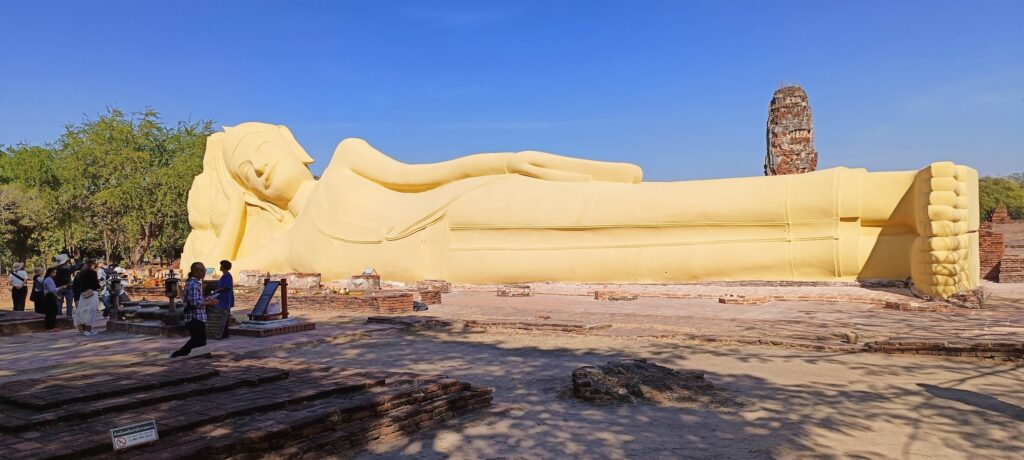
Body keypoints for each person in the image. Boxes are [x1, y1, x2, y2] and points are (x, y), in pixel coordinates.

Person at [170, 262, 217, 358]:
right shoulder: (193, 285)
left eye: (204, 270)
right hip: (195, 317)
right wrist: (209, 303)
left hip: (197, 317)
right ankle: (196, 356)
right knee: (199, 340)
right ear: (195, 272)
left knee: (197, 340)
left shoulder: (194, 284)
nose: (204, 272)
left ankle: (180, 354)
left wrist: (206, 300)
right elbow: (195, 303)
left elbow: (196, 300)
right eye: (202, 270)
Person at [73, 260, 101, 336]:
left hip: (83, 295)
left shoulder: (80, 274)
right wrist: (99, 285)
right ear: (91, 265)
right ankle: (89, 330)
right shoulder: (93, 273)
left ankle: (82, 329)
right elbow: (95, 284)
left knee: (82, 312)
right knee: (91, 312)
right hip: (92, 293)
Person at [214, 260, 235, 339]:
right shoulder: (224, 275)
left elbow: (227, 286)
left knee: (224, 316)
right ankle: (223, 333)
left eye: (221, 265)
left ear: (223, 267)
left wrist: (217, 290)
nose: (220, 267)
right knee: (223, 316)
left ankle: (224, 333)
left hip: (225, 298)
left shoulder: (227, 276)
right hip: (222, 298)